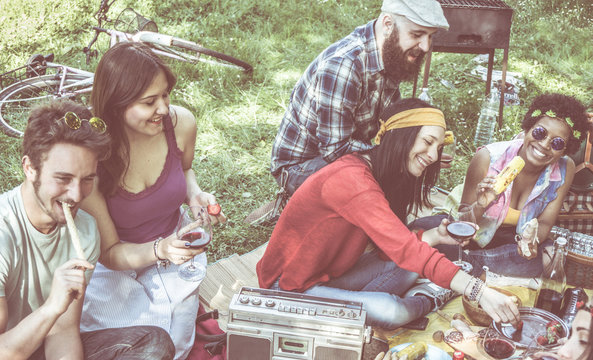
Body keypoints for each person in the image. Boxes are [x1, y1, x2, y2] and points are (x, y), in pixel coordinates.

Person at [257, 98, 520, 329]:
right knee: (392, 310)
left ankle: (426, 283)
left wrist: (434, 236)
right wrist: (479, 291)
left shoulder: (379, 173)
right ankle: (429, 298)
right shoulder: (352, 181)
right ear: (400, 134)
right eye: (427, 142)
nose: (431, 155)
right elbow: (406, 250)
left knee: (415, 254)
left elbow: (393, 250)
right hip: (289, 288)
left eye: (437, 148)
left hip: (330, 275)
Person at [79, 42, 226, 360]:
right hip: (116, 263)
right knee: (130, 344)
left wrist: (195, 194)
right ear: (117, 105)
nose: (163, 109)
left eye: (165, 95)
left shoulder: (181, 124)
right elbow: (109, 253)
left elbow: (185, 170)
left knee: (172, 345)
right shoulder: (93, 159)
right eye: (149, 102)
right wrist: (160, 250)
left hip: (175, 245)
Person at [0, 99, 174, 359]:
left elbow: (63, 332)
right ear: (30, 168)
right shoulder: (5, 231)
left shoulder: (85, 232)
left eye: (87, 179)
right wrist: (51, 308)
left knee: (153, 343)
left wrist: (58, 312)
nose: (75, 194)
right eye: (63, 178)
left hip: (41, 347)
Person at [270, 0, 450, 196]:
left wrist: (422, 149)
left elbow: (390, 124)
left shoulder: (392, 51)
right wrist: (399, 155)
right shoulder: (343, 66)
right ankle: (289, 204)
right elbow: (334, 150)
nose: (425, 46)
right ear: (388, 24)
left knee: (400, 171)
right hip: (301, 167)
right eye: (416, 35)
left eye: (430, 36)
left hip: (341, 155)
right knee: (378, 182)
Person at [413, 94, 589, 278]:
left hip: (511, 239)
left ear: (565, 149)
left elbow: (545, 222)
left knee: (549, 257)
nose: (544, 145)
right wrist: (482, 204)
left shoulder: (564, 168)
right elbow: (463, 222)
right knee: (421, 232)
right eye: (539, 133)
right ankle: (475, 271)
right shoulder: (488, 158)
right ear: (528, 128)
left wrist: (531, 242)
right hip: (470, 233)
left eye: (557, 143)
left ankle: (463, 268)